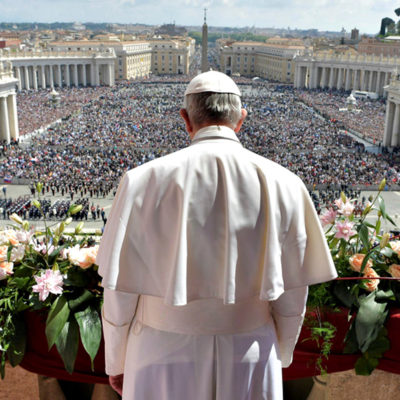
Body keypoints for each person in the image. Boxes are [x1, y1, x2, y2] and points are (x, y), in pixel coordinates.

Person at [96, 71, 337, 400]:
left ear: (185, 119)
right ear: (241, 120)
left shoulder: (141, 180)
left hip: (159, 350)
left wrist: (116, 360)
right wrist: (280, 351)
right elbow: (293, 294)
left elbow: (119, 292)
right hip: (249, 348)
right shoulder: (287, 183)